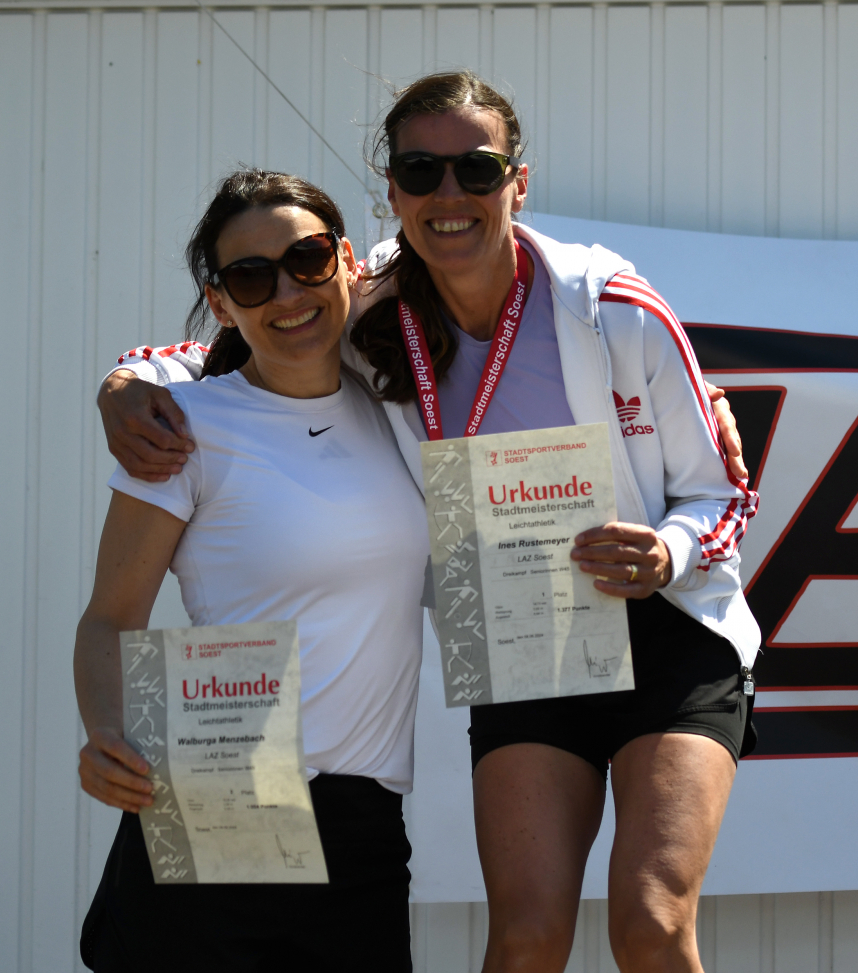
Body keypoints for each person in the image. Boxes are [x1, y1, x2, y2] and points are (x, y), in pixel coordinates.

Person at [97, 73, 757, 973]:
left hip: (663, 632)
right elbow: (214, 348)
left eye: (476, 171)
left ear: (517, 181)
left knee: (648, 921)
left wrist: (669, 548)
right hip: (497, 662)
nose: (450, 195)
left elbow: (724, 495)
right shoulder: (361, 305)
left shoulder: (607, 305)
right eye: (421, 170)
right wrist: (122, 384)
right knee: (525, 941)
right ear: (393, 189)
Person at [75, 169, 429, 972]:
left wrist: (693, 401)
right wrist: (105, 732)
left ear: (344, 260)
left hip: (363, 822)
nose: (286, 291)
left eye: (305, 259)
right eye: (249, 275)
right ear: (222, 298)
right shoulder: (182, 423)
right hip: (217, 791)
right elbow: (110, 615)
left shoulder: (403, 407)